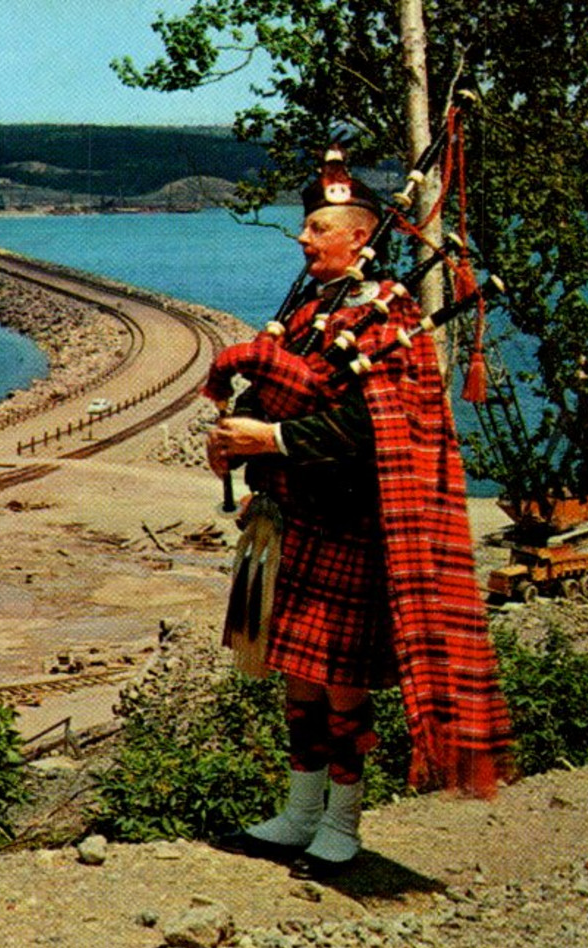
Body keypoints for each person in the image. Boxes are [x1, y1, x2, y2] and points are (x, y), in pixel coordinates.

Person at [204, 162, 511, 879]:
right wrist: (234, 435)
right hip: (294, 517)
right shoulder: (314, 312)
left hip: (353, 519)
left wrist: (270, 441)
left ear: (360, 237)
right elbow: (275, 396)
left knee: (342, 684)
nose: (304, 239)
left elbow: (372, 427)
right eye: (307, 227)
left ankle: (341, 826)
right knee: (298, 677)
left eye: (318, 229)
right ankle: (298, 814)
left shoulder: (390, 313)